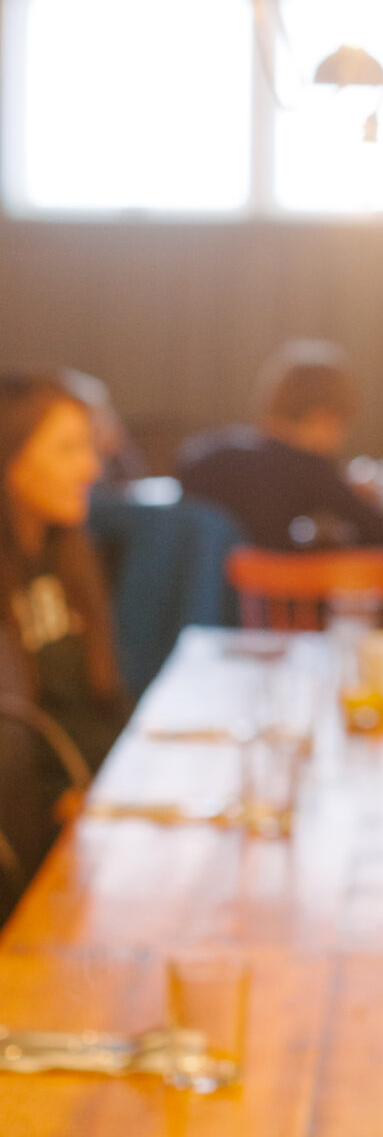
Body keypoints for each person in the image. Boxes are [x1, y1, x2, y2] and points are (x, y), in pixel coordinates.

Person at [0, 374, 127, 895]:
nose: (92, 468)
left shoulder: (66, 556)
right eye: (69, 449)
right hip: (31, 841)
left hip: (92, 806)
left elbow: (94, 702)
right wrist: (67, 798)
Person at [176, 342, 383, 551]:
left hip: (205, 596)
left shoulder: (202, 452)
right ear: (324, 418)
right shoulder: (310, 468)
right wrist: (366, 500)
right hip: (269, 594)